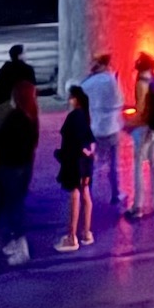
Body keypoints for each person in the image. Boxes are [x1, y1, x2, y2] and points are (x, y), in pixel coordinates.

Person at [0, 87, 39, 265]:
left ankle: (20, 248)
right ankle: (16, 243)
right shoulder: (30, 118)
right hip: (24, 167)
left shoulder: (14, 118)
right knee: (16, 204)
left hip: (10, 168)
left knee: (12, 208)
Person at [78, 52, 126, 215]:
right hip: (111, 128)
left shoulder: (87, 83)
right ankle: (115, 193)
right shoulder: (112, 80)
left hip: (92, 128)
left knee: (90, 163)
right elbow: (119, 102)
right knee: (113, 164)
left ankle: (87, 193)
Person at [125, 52, 154, 219]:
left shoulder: (141, 84)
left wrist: (128, 124)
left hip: (145, 129)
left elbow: (141, 111)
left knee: (138, 166)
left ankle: (138, 206)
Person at [54, 85, 96, 251]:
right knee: (85, 193)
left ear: (75, 99)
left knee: (75, 196)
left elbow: (74, 140)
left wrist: (77, 152)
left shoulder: (74, 116)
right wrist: (89, 152)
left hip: (75, 162)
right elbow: (89, 138)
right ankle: (86, 232)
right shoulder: (86, 115)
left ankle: (72, 237)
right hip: (86, 163)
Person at [0, 42, 39, 129]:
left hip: (7, 106)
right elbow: (32, 88)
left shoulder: (4, 69)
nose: (26, 56)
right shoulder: (28, 70)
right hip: (24, 106)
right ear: (19, 55)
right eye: (24, 53)